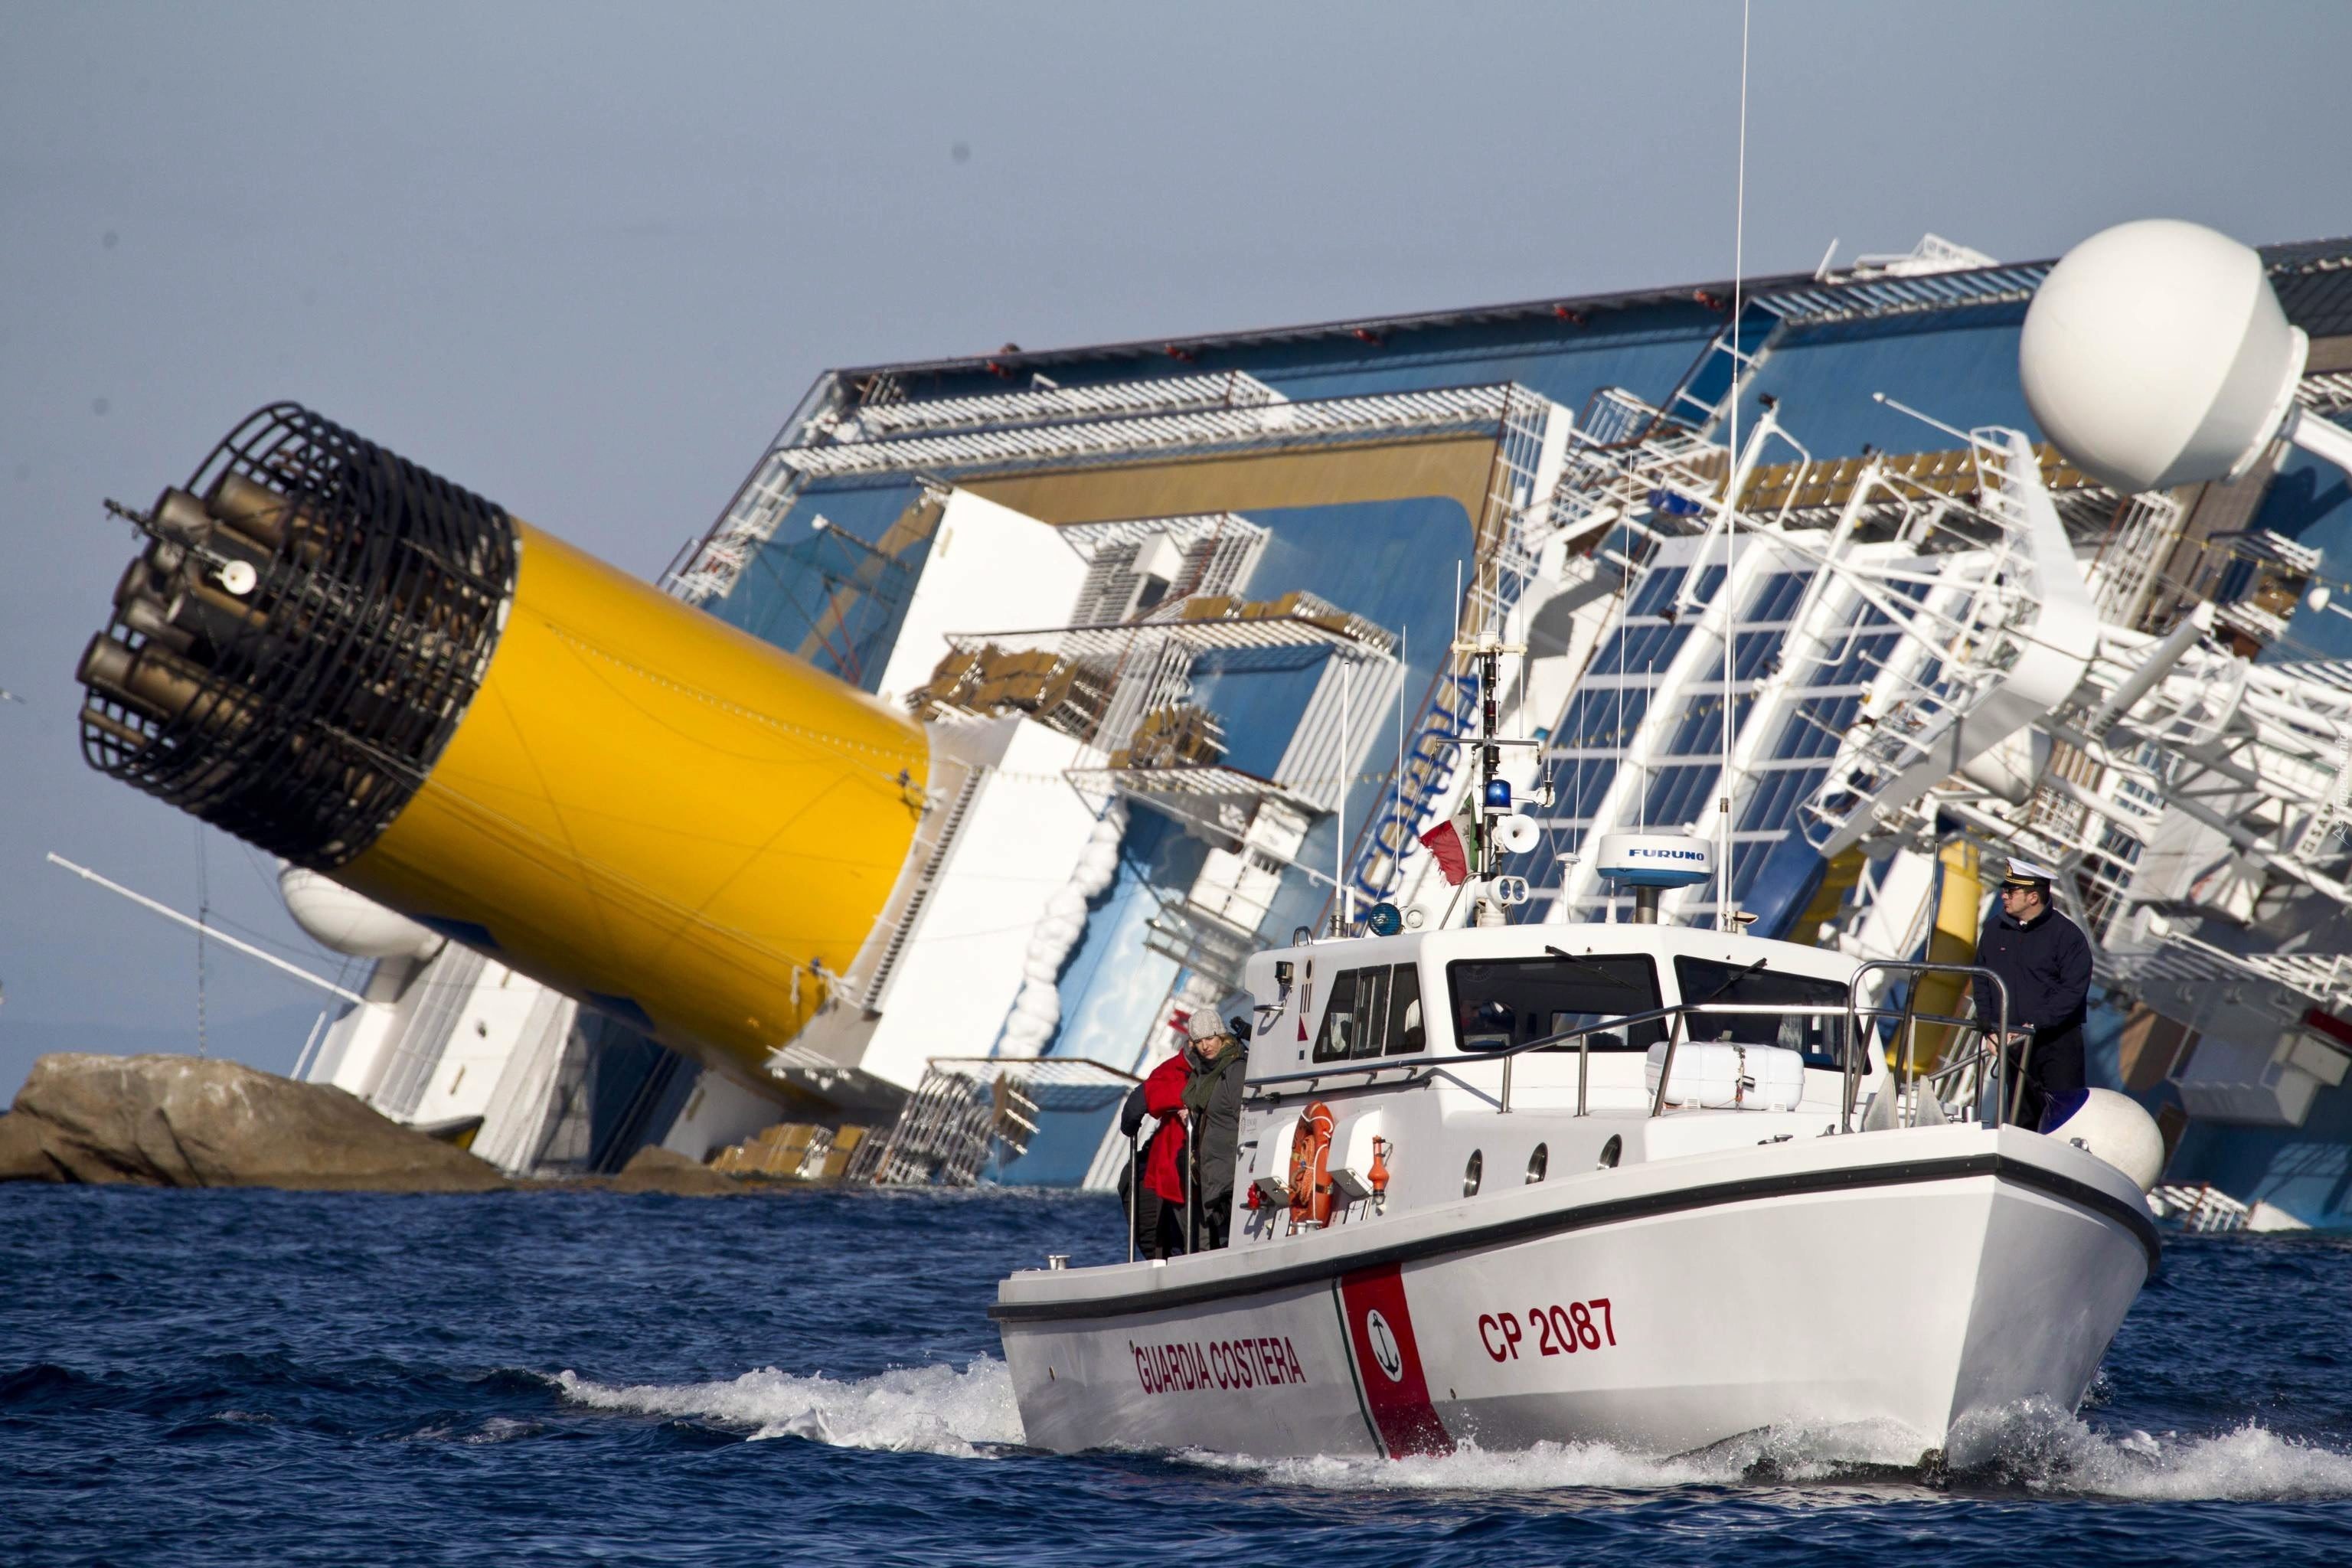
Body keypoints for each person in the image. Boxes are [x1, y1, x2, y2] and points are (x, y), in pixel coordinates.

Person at [1971, 857, 2094, 1130]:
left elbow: (2072, 991)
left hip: (2056, 1045)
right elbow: (1981, 980)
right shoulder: (1994, 930)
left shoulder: (2067, 936)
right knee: (2020, 1119)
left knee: (2063, 1119)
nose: (2003, 895)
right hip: (2013, 1043)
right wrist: (1989, 1027)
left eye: (2011, 891)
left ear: (2033, 897)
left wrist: (2033, 1025)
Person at [1181, 1013, 1250, 1250]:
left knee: (1229, 1243)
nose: (1205, 1046)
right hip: (1212, 1173)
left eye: (1210, 1038)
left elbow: (1245, 1120)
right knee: (1217, 1244)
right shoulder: (1202, 1073)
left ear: (1220, 1035)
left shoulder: (1233, 1069)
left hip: (1232, 1175)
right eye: (1199, 1041)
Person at [1122, 1040, 1192, 1259]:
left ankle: (1159, 1259)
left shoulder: (1171, 1071)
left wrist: (1130, 1127)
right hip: (1180, 1157)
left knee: (1133, 1183)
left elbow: (1135, 1107)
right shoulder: (1230, 1070)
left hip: (1170, 1160)